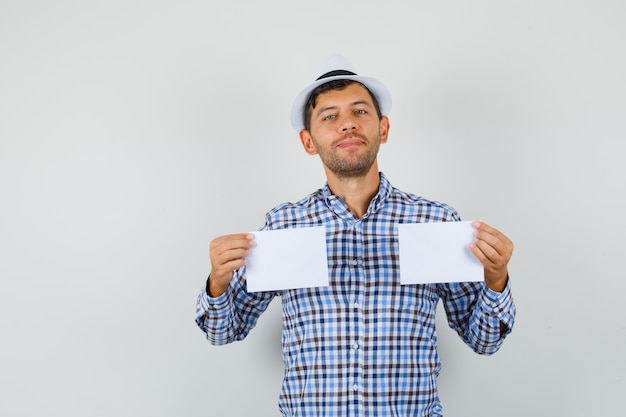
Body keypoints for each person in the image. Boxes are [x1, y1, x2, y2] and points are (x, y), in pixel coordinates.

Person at [195, 55, 516, 416]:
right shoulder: (284, 225)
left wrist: (496, 278)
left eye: (360, 111)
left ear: (383, 128)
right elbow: (222, 332)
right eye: (329, 116)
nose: (347, 124)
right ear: (308, 141)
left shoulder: (434, 221)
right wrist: (218, 283)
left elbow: (484, 339)